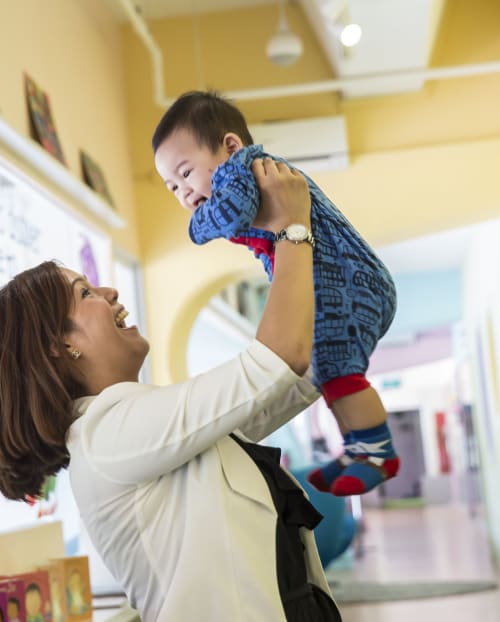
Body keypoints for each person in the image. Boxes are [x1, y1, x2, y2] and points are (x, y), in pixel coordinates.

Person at [0, 158, 341, 621]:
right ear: (59, 346)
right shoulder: (105, 434)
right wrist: (290, 227)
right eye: (85, 293)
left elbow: (288, 375)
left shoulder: (140, 422)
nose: (109, 292)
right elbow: (273, 363)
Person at [152, 90, 399, 497]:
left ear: (230, 146)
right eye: (171, 186)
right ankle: (356, 446)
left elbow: (229, 212)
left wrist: (196, 227)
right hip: (335, 289)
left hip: (351, 285)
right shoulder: (246, 174)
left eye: (186, 172)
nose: (183, 191)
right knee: (327, 369)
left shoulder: (244, 170)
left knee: (338, 368)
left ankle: (378, 452)